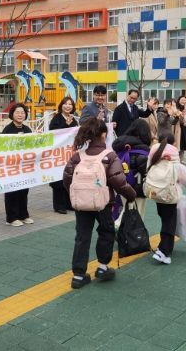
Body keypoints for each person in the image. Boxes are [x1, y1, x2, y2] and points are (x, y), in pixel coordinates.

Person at [63, 118, 136, 289]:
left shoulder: (78, 156)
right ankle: (103, 268)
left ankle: (78, 276)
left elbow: (67, 178)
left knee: (82, 236)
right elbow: (118, 181)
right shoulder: (109, 156)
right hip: (103, 203)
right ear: (103, 135)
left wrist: (79, 195)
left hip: (82, 204)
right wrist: (131, 195)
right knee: (106, 232)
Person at [147, 130, 186, 264]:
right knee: (169, 223)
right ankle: (164, 252)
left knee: (165, 220)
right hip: (170, 197)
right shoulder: (175, 163)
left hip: (157, 194)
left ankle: (163, 248)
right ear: (173, 144)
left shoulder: (154, 158)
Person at [112, 118, 151, 218]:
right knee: (137, 219)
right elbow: (147, 172)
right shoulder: (143, 151)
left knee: (121, 215)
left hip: (121, 186)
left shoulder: (121, 146)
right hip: (137, 190)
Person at [2, 103, 33, 226]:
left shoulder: (27, 130)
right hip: (11, 166)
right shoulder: (7, 130)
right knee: (12, 191)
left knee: (24, 190)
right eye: (17, 112)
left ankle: (23, 215)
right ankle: (11, 218)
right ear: (12, 114)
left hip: (24, 166)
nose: (20, 115)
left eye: (23, 112)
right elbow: (2, 146)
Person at [49, 96, 78, 214]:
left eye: (70, 104)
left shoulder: (73, 119)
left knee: (69, 178)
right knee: (58, 180)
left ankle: (68, 203)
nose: (68, 106)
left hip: (69, 154)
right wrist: (66, 125)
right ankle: (59, 206)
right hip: (58, 154)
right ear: (61, 106)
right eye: (65, 104)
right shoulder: (56, 118)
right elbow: (54, 134)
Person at [176, 95, 186, 164]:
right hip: (178, 128)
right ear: (179, 100)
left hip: (184, 129)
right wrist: (183, 123)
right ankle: (176, 159)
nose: (183, 101)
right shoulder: (176, 109)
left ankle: (181, 159)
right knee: (178, 144)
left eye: (184, 100)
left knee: (183, 145)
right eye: (182, 100)